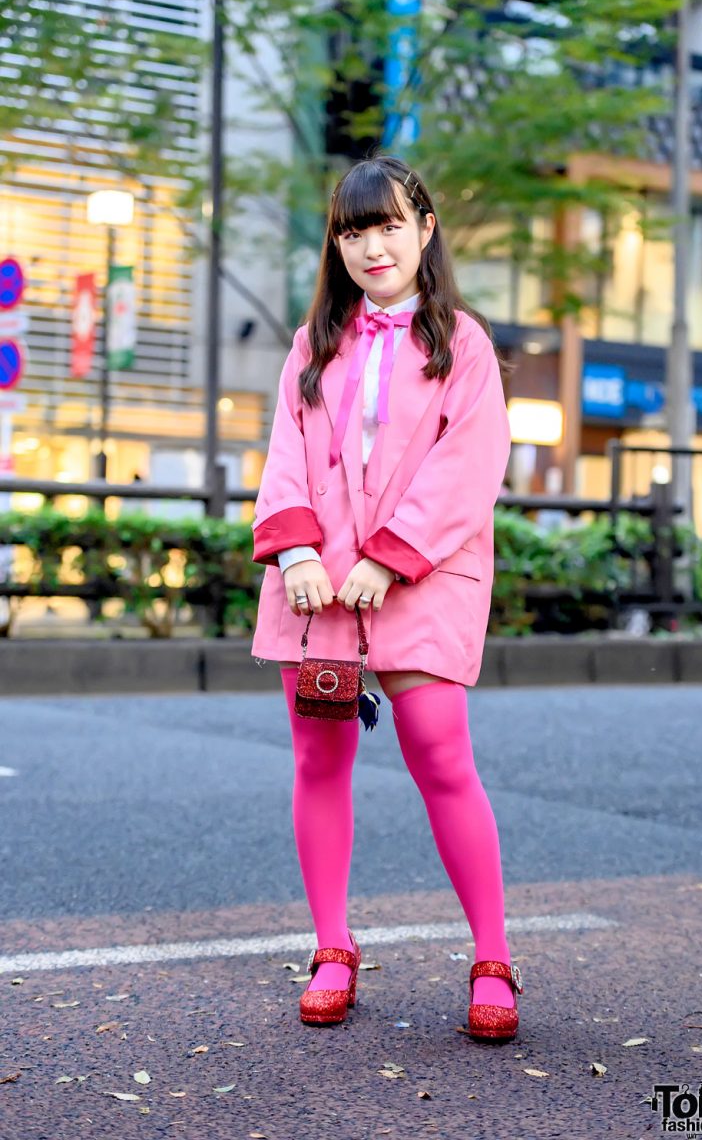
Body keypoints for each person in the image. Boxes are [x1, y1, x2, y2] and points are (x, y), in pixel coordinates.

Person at [250, 156, 521, 1041]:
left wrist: (390, 559)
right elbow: (287, 452)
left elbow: (469, 465)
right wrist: (293, 549)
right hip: (316, 580)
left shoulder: (464, 343)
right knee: (317, 758)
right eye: (353, 229)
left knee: (442, 754)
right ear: (337, 241)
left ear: (426, 229)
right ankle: (333, 945)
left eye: (390, 224)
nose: (373, 245)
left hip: (422, 574)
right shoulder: (313, 342)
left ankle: (492, 956)